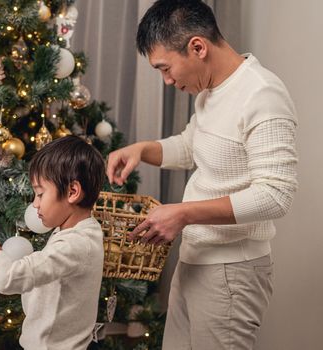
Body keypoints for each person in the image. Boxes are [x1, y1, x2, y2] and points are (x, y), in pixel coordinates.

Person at [107, 0, 298, 349]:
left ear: (197, 47)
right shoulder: (210, 92)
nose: (166, 81)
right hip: (195, 259)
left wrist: (183, 214)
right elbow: (192, 146)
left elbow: (276, 195)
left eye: (165, 68)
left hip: (231, 273)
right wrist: (141, 150)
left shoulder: (262, 95)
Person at [0, 135, 106, 350]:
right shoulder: (76, 230)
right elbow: (39, 273)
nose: (35, 204)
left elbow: (7, 280)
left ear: (72, 192)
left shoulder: (77, 244)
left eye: (40, 194)